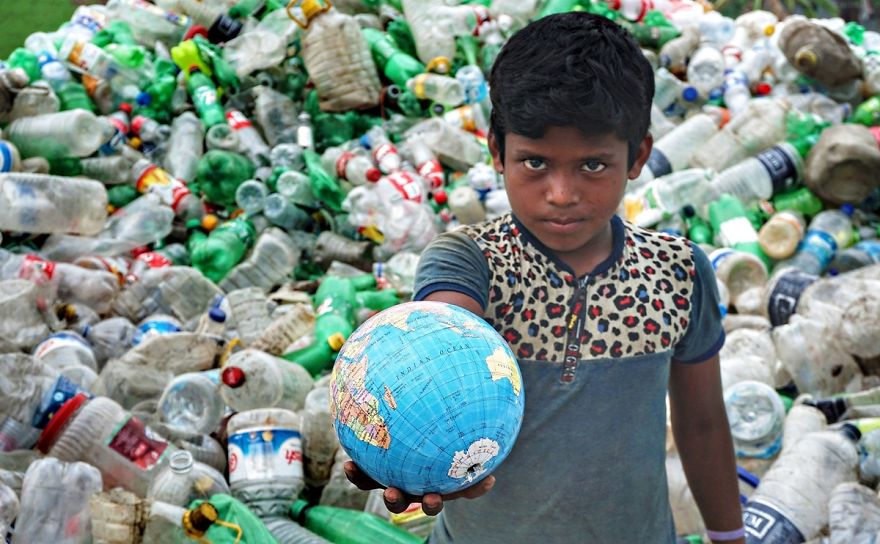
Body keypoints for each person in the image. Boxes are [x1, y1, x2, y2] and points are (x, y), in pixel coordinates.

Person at [345, 12, 744, 544]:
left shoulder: (678, 272)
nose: (561, 194)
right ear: (497, 151)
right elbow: (437, 344)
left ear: (638, 156)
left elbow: (702, 423)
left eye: (593, 166)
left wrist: (729, 537)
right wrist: (402, 444)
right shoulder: (470, 261)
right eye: (534, 163)